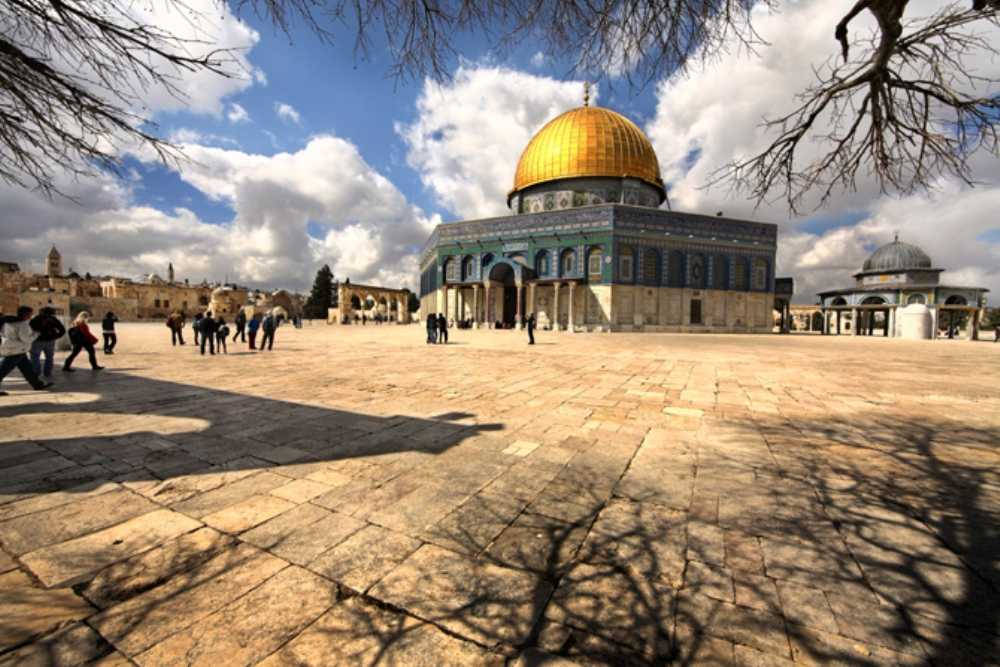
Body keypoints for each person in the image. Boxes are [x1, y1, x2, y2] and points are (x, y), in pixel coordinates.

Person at [0, 306, 53, 395]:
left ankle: (37, 384)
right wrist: (36, 333)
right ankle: (37, 384)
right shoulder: (22, 324)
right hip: (17, 350)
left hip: (13, 348)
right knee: (2, 370)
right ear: (26, 314)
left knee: (27, 369)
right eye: (30, 314)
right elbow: (26, 339)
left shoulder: (7, 322)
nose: (31, 316)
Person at [29, 307, 66, 378]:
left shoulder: (36, 318)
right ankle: (47, 373)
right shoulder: (53, 319)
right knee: (49, 357)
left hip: (37, 341)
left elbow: (29, 329)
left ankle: (36, 372)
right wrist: (55, 336)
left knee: (35, 357)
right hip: (50, 341)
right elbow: (62, 330)